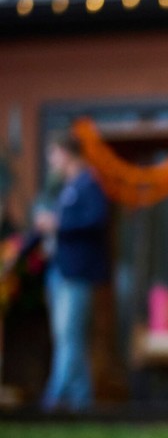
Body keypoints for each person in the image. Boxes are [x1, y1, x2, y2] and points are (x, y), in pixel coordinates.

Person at [35, 132, 111, 411]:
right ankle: (82, 406)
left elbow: (96, 219)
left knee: (69, 336)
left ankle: (51, 402)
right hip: (59, 270)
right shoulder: (62, 188)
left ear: (66, 153)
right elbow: (48, 224)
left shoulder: (88, 183)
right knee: (68, 339)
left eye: (52, 154)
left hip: (77, 273)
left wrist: (59, 223)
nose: (50, 161)